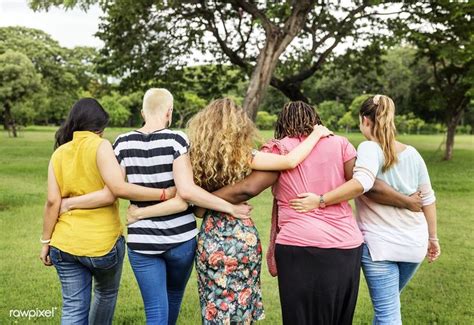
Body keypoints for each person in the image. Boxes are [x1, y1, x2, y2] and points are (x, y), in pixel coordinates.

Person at [186, 100, 423, 325]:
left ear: (282, 123)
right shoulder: (340, 144)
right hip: (346, 245)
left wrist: (204, 202)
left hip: (299, 246)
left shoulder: (279, 149)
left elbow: (248, 188)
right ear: (315, 121)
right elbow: (367, 184)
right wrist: (406, 202)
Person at [128, 98, 334, 324]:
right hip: (242, 236)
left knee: (215, 306)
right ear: (240, 125)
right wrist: (316, 134)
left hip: (211, 239)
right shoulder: (244, 155)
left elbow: (197, 212)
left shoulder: (195, 159)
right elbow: (289, 160)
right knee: (243, 307)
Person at [59, 90, 252, 325]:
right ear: (169, 112)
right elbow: (187, 192)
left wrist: (70, 203)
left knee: (155, 310)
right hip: (181, 239)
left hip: (142, 242)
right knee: (173, 297)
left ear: (142, 112)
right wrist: (230, 208)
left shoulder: (121, 142)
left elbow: (117, 188)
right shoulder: (177, 140)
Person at [289, 95, 441, 324]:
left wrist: (320, 200)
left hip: (379, 248)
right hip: (414, 245)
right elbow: (428, 199)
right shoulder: (413, 154)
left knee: (387, 314)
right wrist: (433, 238)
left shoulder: (369, 147)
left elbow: (363, 183)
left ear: (364, 120)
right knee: (389, 307)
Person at [40, 98, 182, 325]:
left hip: (63, 243)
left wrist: (46, 241)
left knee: (73, 309)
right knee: (105, 294)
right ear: (99, 126)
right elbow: (114, 190)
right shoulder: (101, 145)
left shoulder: (59, 152)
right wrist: (163, 193)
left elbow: (51, 202)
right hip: (102, 245)